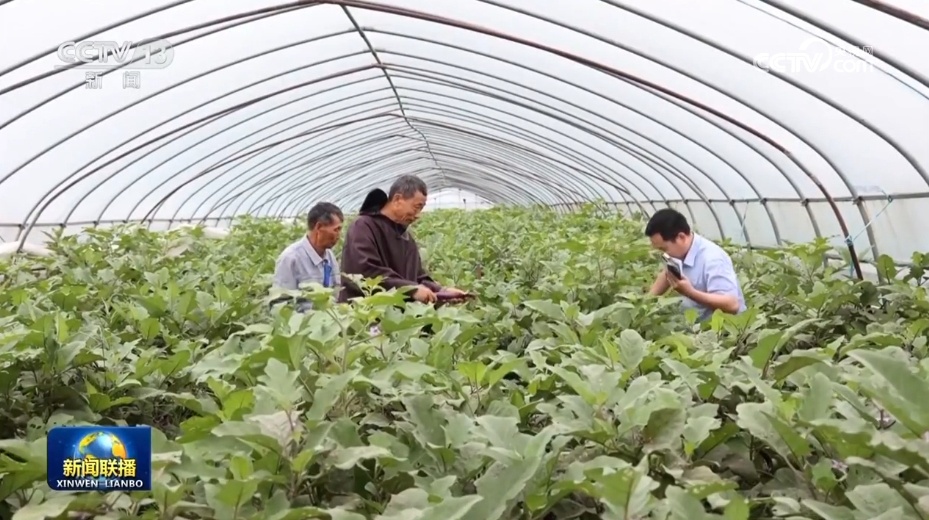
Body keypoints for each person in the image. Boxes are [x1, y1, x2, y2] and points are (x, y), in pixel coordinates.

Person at [338, 174, 467, 303]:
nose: (418, 215)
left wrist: (443, 292)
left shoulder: (405, 236)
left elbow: (418, 277)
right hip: (365, 311)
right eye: (416, 207)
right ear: (397, 199)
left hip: (395, 312)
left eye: (421, 209)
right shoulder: (363, 226)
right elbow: (365, 271)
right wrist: (411, 289)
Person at [645, 208, 746, 322]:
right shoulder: (680, 251)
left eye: (664, 249)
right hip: (694, 323)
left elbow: (732, 305)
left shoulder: (713, 259)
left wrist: (689, 292)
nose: (664, 254)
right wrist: (646, 303)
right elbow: (667, 273)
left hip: (720, 329)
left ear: (681, 237)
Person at [271, 202, 343, 310]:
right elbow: (281, 306)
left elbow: (336, 294)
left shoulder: (329, 256)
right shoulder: (291, 258)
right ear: (319, 227)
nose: (339, 235)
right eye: (336, 229)